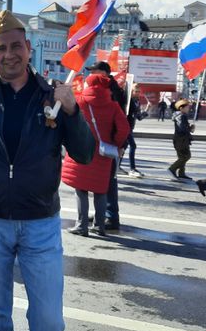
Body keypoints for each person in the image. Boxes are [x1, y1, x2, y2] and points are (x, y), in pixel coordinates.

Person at [0, 11, 95, 331]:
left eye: (16, 46)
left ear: (29, 47)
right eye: (0, 49)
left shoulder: (52, 94)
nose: (9, 54)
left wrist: (72, 112)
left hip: (40, 223)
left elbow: (85, 155)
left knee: (49, 320)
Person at [62, 73, 130, 237]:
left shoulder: (80, 101)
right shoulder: (113, 105)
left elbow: (68, 121)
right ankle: (99, 227)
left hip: (82, 149)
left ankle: (81, 225)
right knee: (101, 191)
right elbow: (124, 128)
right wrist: (116, 143)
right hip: (103, 153)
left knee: (81, 190)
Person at [86, 61, 125, 231]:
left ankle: (111, 216)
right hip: (101, 142)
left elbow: (122, 119)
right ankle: (100, 213)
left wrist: (119, 144)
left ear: (103, 72)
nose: (91, 74)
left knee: (109, 180)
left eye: (94, 71)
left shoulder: (113, 90)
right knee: (98, 178)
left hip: (109, 143)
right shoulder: (105, 88)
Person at [122, 83, 147, 177]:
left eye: (138, 91)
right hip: (125, 127)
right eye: (135, 91)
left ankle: (117, 166)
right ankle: (132, 169)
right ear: (131, 91)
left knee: (123, 147)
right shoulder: (128, 101)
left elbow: (139, 117)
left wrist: (146, 111)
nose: (137, 93)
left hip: (130, 127)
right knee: (133, 146)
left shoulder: (137, 101)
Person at [168, 99, 194, 180]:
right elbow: (182, 128)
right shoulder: (181, 116)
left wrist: (189, 127)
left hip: (180, 139)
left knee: (182, 156)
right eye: (187, 107)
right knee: (186, 156)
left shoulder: (179, 115)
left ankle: (181, 173)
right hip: (181, 140)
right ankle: (172, 168)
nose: (188, 108)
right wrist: (190, 128)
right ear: (181, 108)